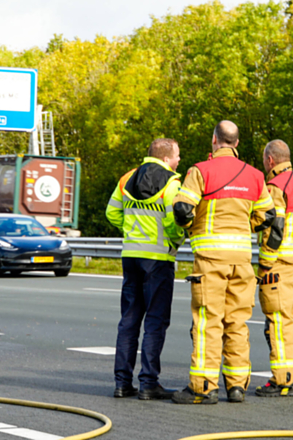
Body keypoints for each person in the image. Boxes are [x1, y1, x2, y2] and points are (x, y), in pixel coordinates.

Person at [171, 121, 276, 404]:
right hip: (242, 262)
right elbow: (268, 216)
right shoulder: (255, 176)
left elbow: (182, 209)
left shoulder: (200, 171)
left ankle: (203, 387)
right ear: (237, 144)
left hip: (209, 262)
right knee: (238, 323)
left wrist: (193, 226)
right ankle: (237, 386)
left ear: (214, 140)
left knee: (208, 323)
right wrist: (244, 226)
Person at [106, 138, 184, 400]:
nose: (179, 161)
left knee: (129, 320)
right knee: (155, 321)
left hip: (131, 256)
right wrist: (174, 241)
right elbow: (175, 221)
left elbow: (112, 213)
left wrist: (131, 232)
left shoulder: (126, 179)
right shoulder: (172, 183)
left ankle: (121, 383)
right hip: (159, 259)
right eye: (177, 156)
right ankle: (148, 383)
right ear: (165, 158)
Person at [255, 140, 293, 397]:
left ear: (270, 160)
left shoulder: (276, 187)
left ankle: (282, 379)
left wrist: (265, 263)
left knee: (277, 322)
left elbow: (275, 228)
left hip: (279, 265)